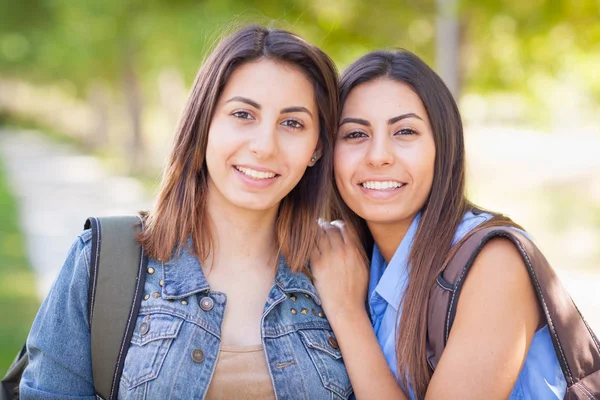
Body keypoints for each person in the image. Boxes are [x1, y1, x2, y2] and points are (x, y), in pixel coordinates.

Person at [20, 25, 354, 400]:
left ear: (317, 148)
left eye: (292, 123)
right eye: (243, 114)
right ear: (204, 124)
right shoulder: (101, 260)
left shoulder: (342, 269)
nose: (264, 146)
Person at [311, 50, 567, 399]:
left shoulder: (493, 263)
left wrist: (346, 313)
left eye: (405, 131)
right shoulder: (349, 258)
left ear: (442, 147)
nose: (378, 156)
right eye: (356, 134)